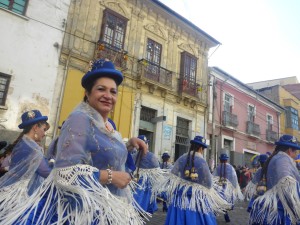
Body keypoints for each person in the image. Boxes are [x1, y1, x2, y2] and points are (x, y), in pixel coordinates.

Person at [1, 59, 149, 225]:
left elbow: (103, 152)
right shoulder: (80, 119)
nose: (108, 96)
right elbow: (65, 174)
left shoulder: (107, 125)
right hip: (83, 212)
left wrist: (129, 144)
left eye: (113, 92)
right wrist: (112, 177)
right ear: (88, 93)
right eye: (101, 89)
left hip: (106, 208)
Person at [155, 136, 230, 225]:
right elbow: (208, 183)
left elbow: (173, 175)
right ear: (201, 148)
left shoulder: (182, 158)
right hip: (196, 198)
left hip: (180, 194)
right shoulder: (202, 162)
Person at [0, 110, 51, 221]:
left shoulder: (22, 142)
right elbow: (45, 172)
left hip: (8, 190)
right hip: (19, 196)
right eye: (43, 129)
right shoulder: (33, 149)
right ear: (36, 127)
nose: (44, 133)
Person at [249, 135, 300, 225]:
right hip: (277, 210)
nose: (295, 154)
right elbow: (286, 182)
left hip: (266, 206)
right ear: (289, 150)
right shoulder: (283, 159)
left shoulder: (273, 159)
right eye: (294, 151)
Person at [132, 135, 164, 214]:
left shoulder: (133, 156)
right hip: (146, 186)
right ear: (146, 144)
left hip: (134, 184)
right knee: (143, 207)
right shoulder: (151, 156)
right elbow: (158, 173)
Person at [213, 153, 244, 223]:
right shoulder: (231, 168)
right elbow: (234, 178)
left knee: (216, 202)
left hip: (219, 188)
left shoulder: (218, 167)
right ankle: (226, 217)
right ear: (227, 160)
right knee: (225, 203)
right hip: (227, 189)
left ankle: (214, 216)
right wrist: (234, 187)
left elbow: (213, 177)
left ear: (220, 160)